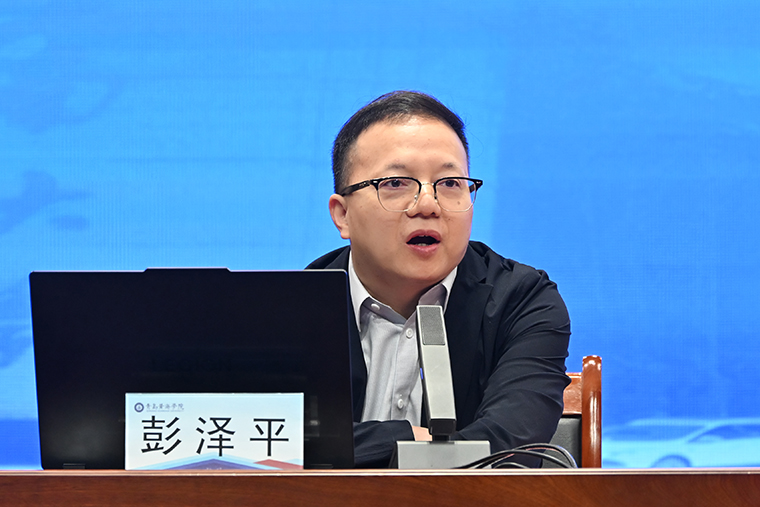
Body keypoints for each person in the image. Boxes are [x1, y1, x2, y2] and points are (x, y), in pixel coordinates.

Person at [307, 90, 571, 468]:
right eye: (396, 183)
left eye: (450, 183)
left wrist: (358, 447)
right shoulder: (290, 307)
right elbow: (261, 445)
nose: (429, 206)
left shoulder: (523, 302)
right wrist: (407, 439)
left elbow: (510, 451)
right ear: (342, 215)